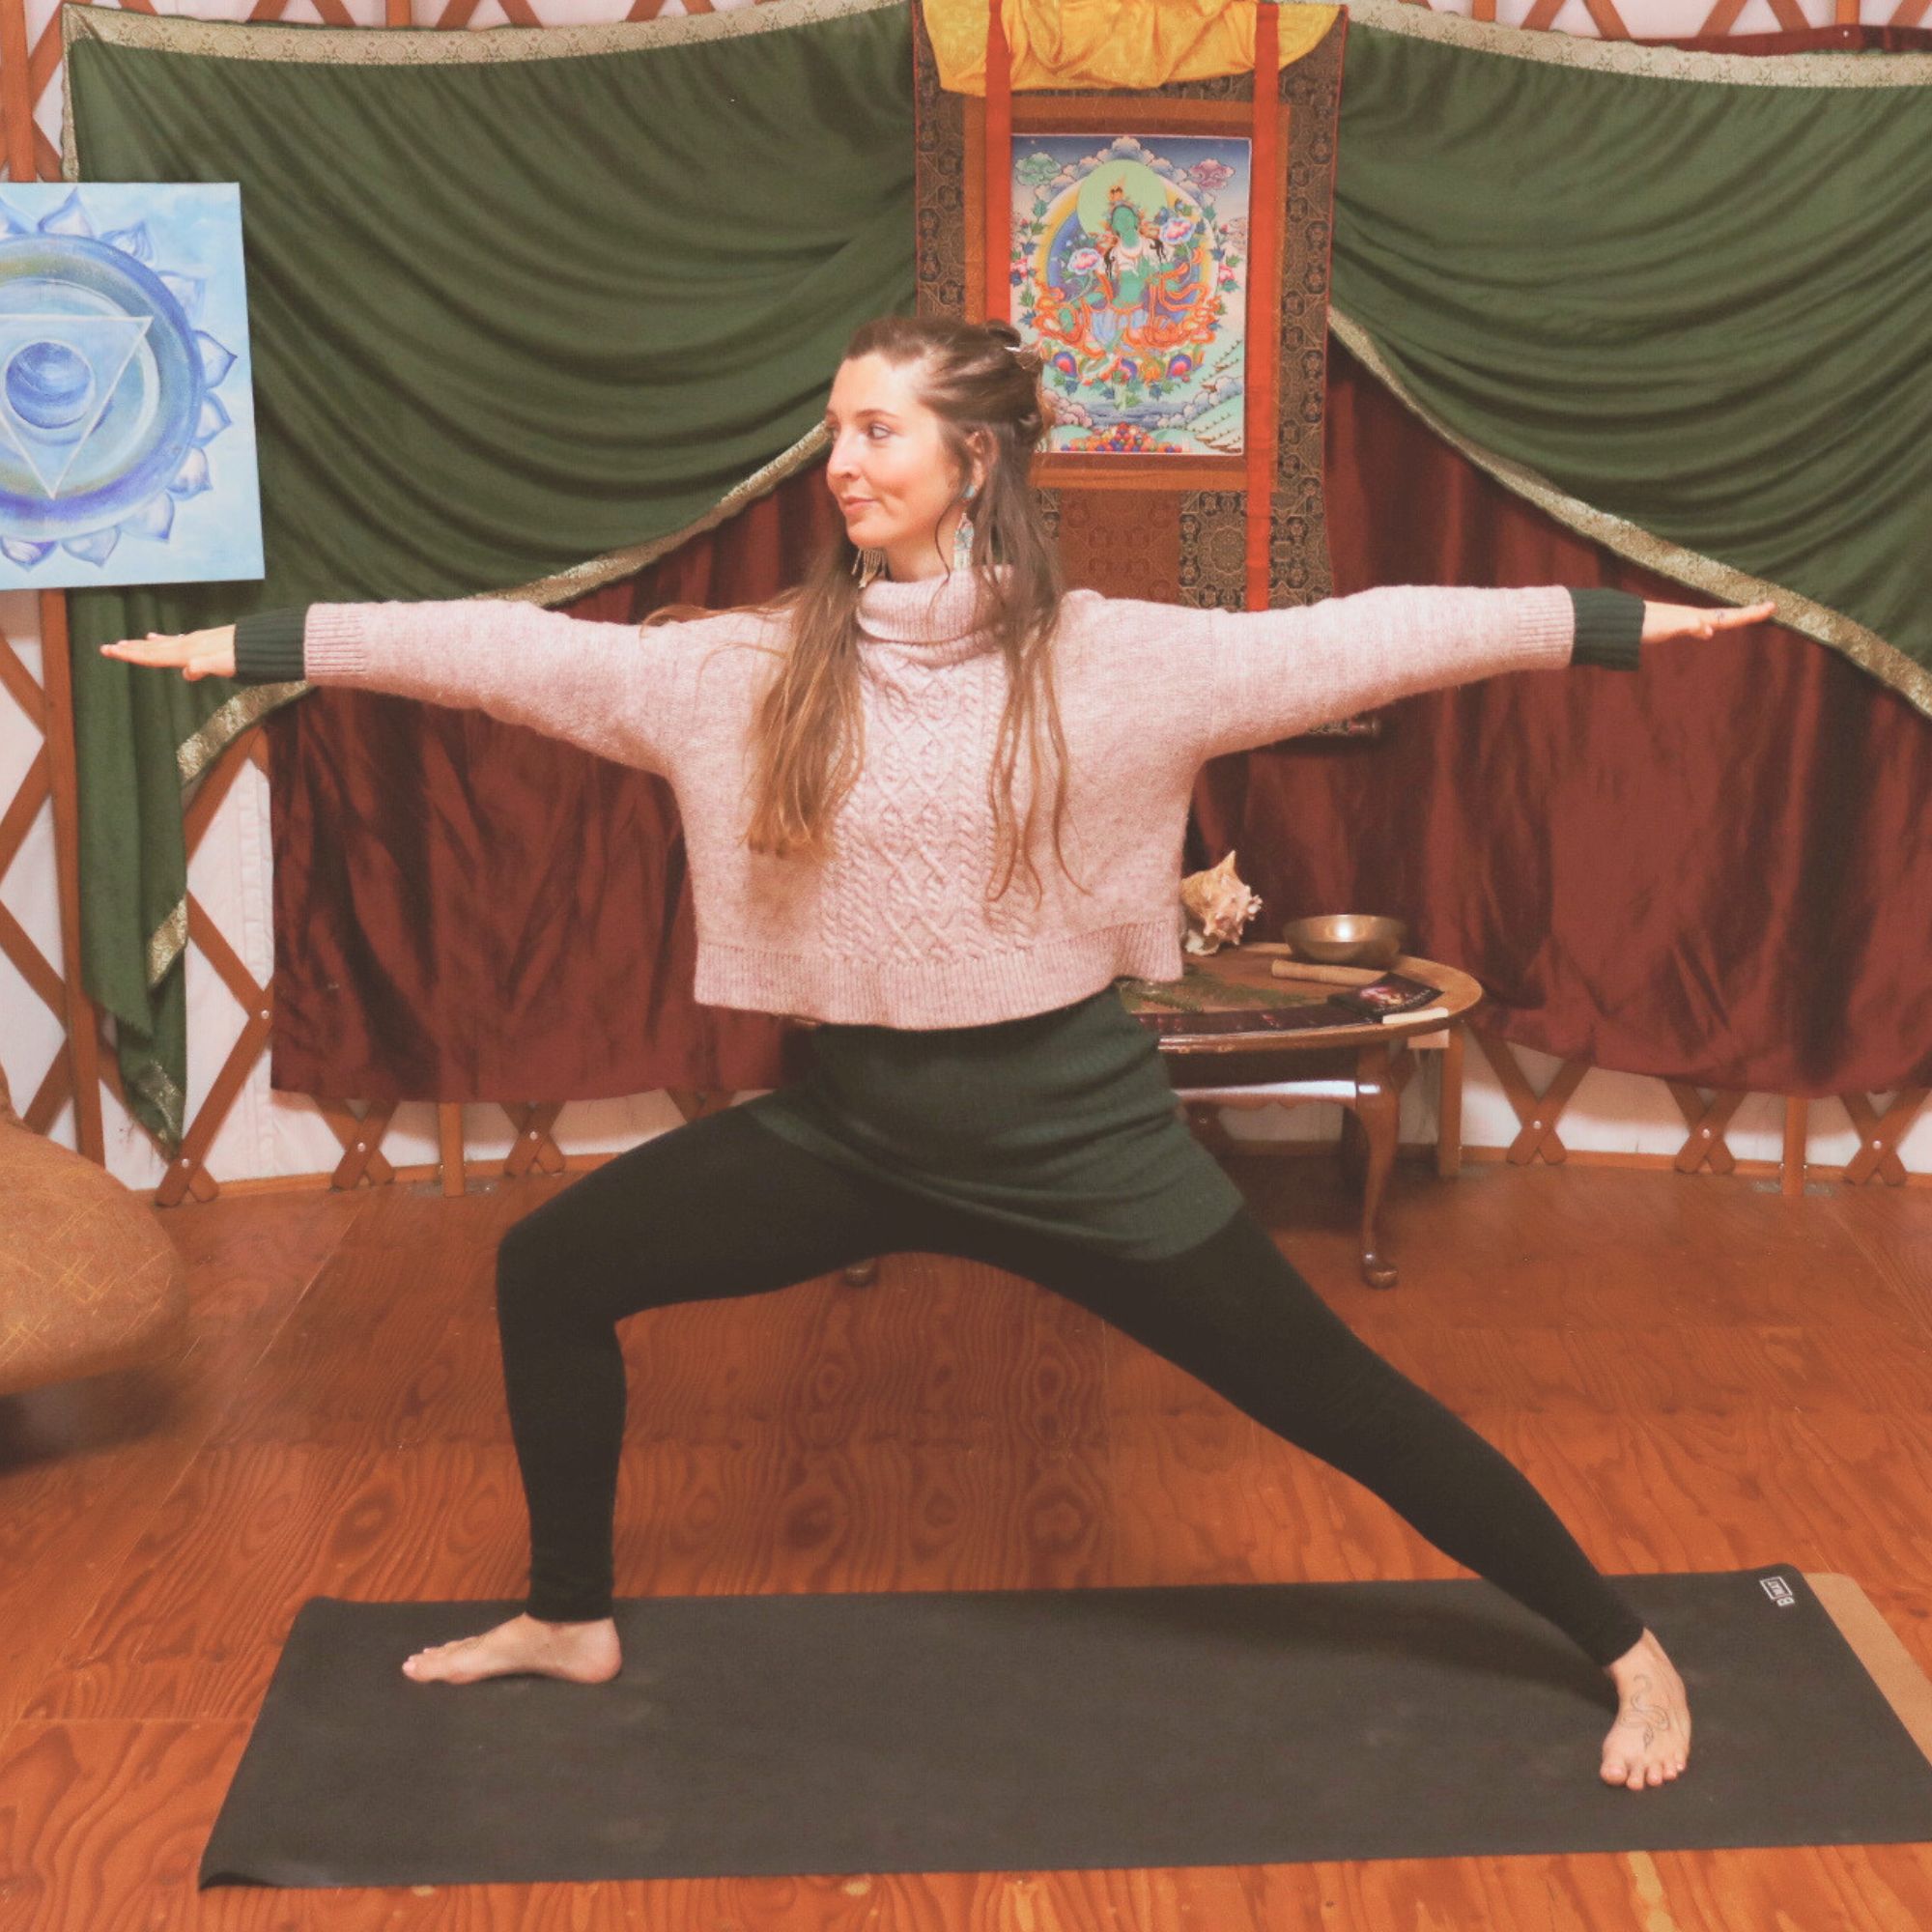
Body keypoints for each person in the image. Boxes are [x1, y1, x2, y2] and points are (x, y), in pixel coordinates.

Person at [105, 313, 1774, 1792]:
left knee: (1343, 1405)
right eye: (835, 429)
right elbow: (511, 655)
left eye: (878, 429)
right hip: (852, 1132)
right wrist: (271, 647)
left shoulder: (1114, 661)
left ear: (976, 458)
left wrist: (1608, 625)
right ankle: (567, 1617)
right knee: (552, 1268)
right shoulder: (747, 674)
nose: (841, 461)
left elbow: (1371, 634)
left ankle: (1621, 1642)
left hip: (1079, 1141)